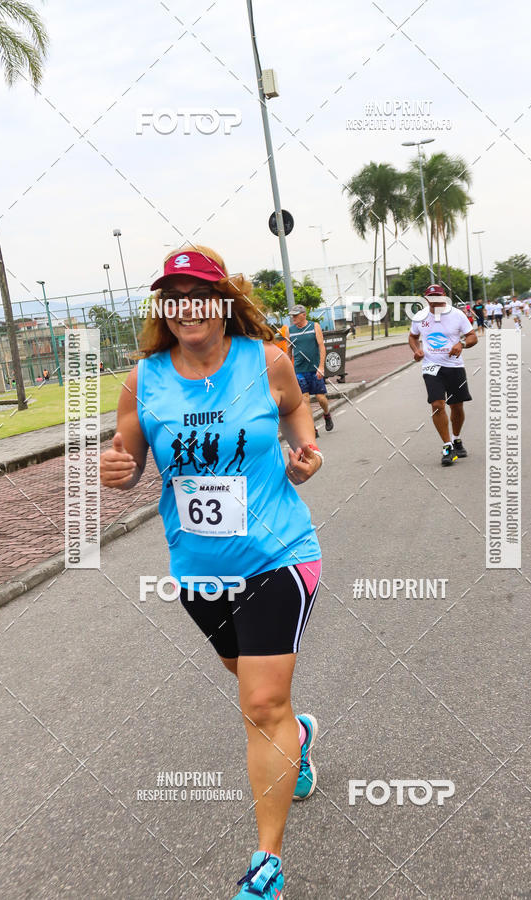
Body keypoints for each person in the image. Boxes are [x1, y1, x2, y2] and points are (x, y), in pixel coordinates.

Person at [100, 244, 324, 900]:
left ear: (223, 302)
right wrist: (118, 471)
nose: (185, 307)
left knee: (259, 701)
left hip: (279, 553)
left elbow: (295, 409)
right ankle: (298, 735)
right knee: (249, 680)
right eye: (171, 297)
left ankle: (266, 865)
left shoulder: (267, 361)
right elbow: (128, 457)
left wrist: (305, 451)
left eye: (197, 293)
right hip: (199, 570)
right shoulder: (146, 381)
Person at [408, 283, 478, 467]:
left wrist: (461, 343)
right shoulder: (420, 317)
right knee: (437, 404)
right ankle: (447, 447)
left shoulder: (457, 314)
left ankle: (456, 438)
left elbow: (472, 336)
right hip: (431, 366)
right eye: (431, 299)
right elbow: (413, 337)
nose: (434, 302)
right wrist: (416, 350)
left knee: (456, 406)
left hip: (454, 366)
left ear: (444, 296)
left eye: (438, 297)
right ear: (426, 299)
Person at [284, 304, 334, 436]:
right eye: (292, 316)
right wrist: (288, 370)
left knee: (320, 398)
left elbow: (322, 347)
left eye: (296, 315)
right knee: (305, 399)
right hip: (299, 370)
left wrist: (321, 367)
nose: (293, 318)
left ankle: (327, 414)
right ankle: (312, 427)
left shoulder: (314, 326)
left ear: (303, 315)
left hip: (315, 369)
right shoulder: (290, 331)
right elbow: (288, 352)